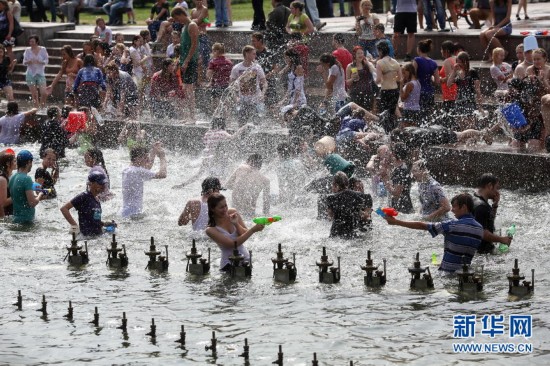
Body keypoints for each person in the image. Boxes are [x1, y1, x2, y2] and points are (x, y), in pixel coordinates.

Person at [383, 193, 511, 272]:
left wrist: (397, 222)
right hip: (465, 272)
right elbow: (487, 235)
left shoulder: (451, 225)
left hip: (447, 274)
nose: (452, 210)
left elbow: (422, 225)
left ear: (464, 207)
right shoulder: (478, 228)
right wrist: (503, 239)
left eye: (455, 207)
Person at [205, 193, 264, 271]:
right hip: (228, 265)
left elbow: (244, 233)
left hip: (246, 260)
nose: (225, 209)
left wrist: (236, 224)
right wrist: (253, 230)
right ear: (212, 209)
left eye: (225, 205)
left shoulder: (232, 212)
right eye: (221, 207)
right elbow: (232, 244)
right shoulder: (210, 230)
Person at [178, 177, 246, 232]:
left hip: (197, 238)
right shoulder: (220, 205)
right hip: (216, 239)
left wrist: (191, 217)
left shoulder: (192, 203)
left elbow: (181, 223)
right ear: (213, 190)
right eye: (218, 190)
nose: (219, 193)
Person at [60, 171, 112, 237]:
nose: (102, 186)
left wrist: (104, 224)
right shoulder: (84, 196)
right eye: (100, 183)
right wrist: (75, 227)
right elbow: (64, 208)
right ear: (91, 184)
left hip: (97, 236)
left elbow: (93, 219)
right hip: (86, 238)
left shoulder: (97, 199)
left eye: (103, 183)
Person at [121, 144, 167, 218]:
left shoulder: (127, 169)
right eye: (145, 158)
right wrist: (162, 157)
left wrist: (153, 152)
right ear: (137, 159)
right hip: (134, 213)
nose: (148, 160)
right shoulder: (138, 171)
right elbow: (163, 174)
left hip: (125, 211)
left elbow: (147, 167)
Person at [172, 7, 199, 123]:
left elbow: (194, 45)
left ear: (182, 14)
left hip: (190, 61)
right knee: (186, 89)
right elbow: (184, 46)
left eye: (177, 18)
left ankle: (193, 117)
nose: (178, 21)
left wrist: (187, 61)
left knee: (189, 89)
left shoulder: (192, 25)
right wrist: (180, 60)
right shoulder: (184, 27)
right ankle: (189, 116)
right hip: (184, 61)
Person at [326, 171, 372, 239]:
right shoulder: (363, 197)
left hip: (336, 233)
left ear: (335, 184)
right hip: (353, 232)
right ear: (348, 184)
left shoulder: (330, 198)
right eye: (358, 188)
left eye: (361, 187)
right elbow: (366, 216)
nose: (360, 189)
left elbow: (330, 217)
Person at [229, 45, 267, 124]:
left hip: (256, 100)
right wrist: (235, 97)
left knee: (256, 123)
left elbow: (265, 83)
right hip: (242, 100)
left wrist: (262, 94)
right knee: (242, 123)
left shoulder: (257, 67)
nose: (255, 56)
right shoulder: (236, 68)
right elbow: (231, 85)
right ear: (246, 54)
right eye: (253, 54)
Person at [472, 173, 509, 254]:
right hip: (482, 251)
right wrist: (502, 239)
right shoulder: (482, 207)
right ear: (490, 186)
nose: (497, 192)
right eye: (496, 188)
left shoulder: (474, 198)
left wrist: (495, 205)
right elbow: (482, 232)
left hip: (474, 248)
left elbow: (489, 219)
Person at [225, 153, 270, 218]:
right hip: (251, 214)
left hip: (234, 213)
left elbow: (228, 186)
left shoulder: (241, 168)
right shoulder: (266, 180)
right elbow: (266, 205)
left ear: (249, 161)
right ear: (260, 165)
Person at [447, 51, 482, 129]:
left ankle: (473, 141)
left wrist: (480, 106)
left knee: (471, 126)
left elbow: (477, 90)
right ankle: (464, 141)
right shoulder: (458, 73)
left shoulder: (472, 72)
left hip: (470, 102)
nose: (459, 65)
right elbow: (448, 84)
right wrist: (454, 71)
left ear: (466, 62)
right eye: (457, 62)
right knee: (462, 126)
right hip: (459, 102)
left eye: (461, 63)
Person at [8, 150, 45, 224]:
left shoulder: (12, 177)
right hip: (26, 221)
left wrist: (35, 192)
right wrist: (40, 195)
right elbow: (32, 203)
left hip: (15, 219)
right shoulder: (26, 179)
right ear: (28, 162)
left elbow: (20, 196)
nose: (31, 165)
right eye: (31, 162)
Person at [380, 142, 413, 214]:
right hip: (397, 207)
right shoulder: (397, 167)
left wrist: (384, 178)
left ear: (394, 154)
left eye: (390, 151)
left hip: (403, 210)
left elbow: (396, 193)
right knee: (377, 211)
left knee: (378, 212)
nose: (388, 153)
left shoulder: (402, 170)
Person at [376, 41, 401, 133]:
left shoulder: (380, 63)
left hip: (385, 91)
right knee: (391, 112)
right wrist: (392, 77)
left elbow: (378, 80)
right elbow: (400, 78)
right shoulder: (396, 62)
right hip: (395, 90)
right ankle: (394, 131)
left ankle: (387, 133)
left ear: (381, 51)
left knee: (384, 113)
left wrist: (376, 81)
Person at [413, 39, 439, 119]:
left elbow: (413, 76)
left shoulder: (417, 60)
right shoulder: (433, 63)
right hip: (430, 92)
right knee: (428, 116)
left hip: (419, 91)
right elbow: (437, 82)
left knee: (418, 116)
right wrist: (430, 78)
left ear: (419, 49)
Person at [346, 46, 375, 111]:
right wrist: (352, 79)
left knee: (368, 113)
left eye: (362, 53)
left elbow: (374, 73)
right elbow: (347, 82)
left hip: (367, 92)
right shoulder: (350, 66)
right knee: (356, 113)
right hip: (355, 93)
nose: (361, 55)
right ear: (354, 55)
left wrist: (369, 63)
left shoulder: (367, 64)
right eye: (358, 53)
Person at [23, 35, 48, 109]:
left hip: (40, 73)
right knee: (34, 94)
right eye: (30, 41)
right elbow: (24, 62)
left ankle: (42, 107)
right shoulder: (27, 50)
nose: (31, 43)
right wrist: (28, 61)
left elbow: (46, 60)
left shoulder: (43, 49)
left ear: (37, 42)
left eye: (33, 41)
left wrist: (41, 61)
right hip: (30, 74)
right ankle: (36, 108)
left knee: (44, 93)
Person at [278, 48, 306, 113]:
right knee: (282, 113)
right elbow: (289, 89)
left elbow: (298, 88)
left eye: (286, 58)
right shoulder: (291, 66)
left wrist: (294, 103)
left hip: (299, 99)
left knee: (284, 112)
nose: (285, 60)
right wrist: (282, 100)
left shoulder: (299, 67)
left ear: (291, 58)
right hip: (292, 97)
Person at [206, 42, 232, 111]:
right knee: (226, 103)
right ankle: (227, 118)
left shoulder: (213, 62)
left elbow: (208, 75)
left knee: (215, 104)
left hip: (216, 85)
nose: (212, 53)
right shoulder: (229, 62)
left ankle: (217, 119)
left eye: (213, 51)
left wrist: (209, 81)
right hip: (226, 85)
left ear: (216, 51)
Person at [439, 40, 457, 128]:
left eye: (441, 49)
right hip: (456, 92)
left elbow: (449, 78)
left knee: (448, 121)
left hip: (449, 93)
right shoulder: (456, 59)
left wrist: (439, 79)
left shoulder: (447, 61)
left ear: (446, 50)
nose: (441, 51)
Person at [399, 62, 421, 127]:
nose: (403, 75)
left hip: (409, 110)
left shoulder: (410, 84)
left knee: (406, 132)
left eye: (404, 73)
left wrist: (400, 85)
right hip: (416, 110)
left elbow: (403, 98)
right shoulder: (418, 82)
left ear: (409, 72)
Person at [0, 149, 15, 218]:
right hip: (5, 218)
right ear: (8, 163)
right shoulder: (2, 179)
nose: (16, 162)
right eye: (14, 161)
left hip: (11, 215)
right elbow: (3, 203)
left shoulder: (11, 176)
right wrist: (18, 195)